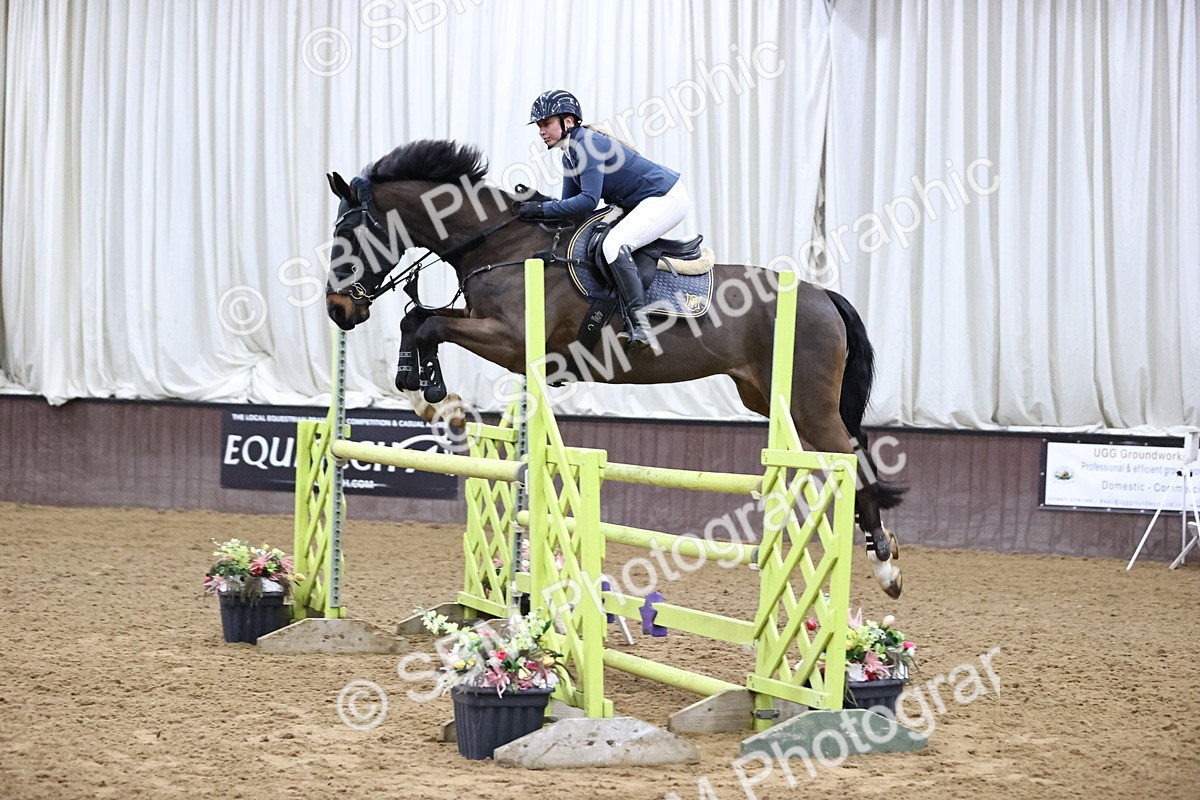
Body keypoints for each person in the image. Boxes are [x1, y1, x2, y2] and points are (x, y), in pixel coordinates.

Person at [516, 90, 689, 352]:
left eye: (546, 123)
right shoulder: (569, 154)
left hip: (666, 197)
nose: (541, 131)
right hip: (638, 201)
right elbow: (571, 210)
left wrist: (541, 208)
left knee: (613, 246)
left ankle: (642, 326)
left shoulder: (586, 145)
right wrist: (540, 210)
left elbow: (587, 201)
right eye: (539, 125)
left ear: (569, 122)